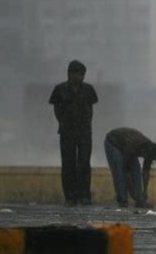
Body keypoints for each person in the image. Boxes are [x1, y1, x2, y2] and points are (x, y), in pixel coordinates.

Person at [49, 60, 98, 206]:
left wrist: (87, 126)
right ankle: (70, 197)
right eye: (76, 74)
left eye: (82, 75)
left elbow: (91, 109)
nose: (79, 77)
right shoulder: (60, 89)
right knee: (68, 164)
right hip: (67, 132)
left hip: (84, 132)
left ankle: (84, 195)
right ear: (70, 74)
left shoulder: (88, 90)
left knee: (84, 163)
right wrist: (62, 122)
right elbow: (56, 109)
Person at [104, 127, 156, 208]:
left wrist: (145, 191)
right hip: (112, 142)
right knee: (119, 168)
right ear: (143, 152)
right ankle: (122, 200)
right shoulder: (132, 146)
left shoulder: (150, 150)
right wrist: (132, 192)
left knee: (136, 169)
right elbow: (127, 173)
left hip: (126, 143)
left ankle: (139, 200)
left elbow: (145, 172)